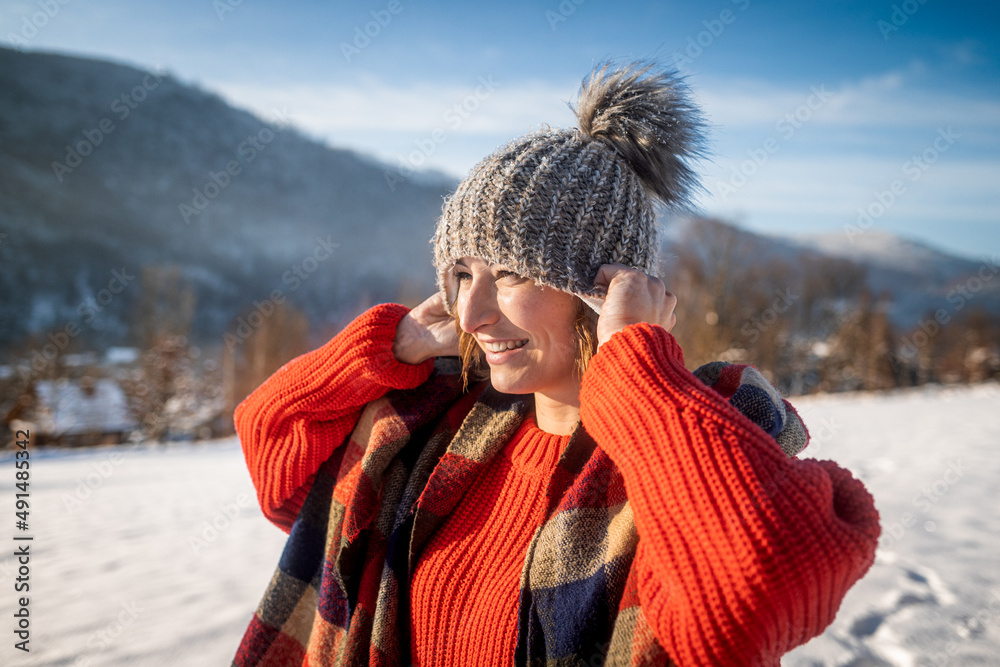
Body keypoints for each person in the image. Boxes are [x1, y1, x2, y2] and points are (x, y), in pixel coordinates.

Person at [232, 61, 880, 666]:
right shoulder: (436, 422)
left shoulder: (692, 448)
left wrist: (636, 365)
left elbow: (755, 597)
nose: (471, 313)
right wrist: (388, 344)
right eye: (462, 275)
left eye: (511, 273)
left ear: (602, 290)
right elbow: (276, 450)